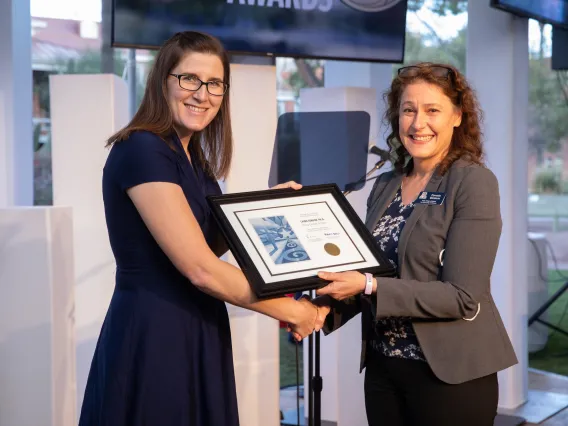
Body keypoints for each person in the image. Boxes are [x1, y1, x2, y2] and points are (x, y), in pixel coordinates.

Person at [78, 31, 325, 426]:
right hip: (156, 331)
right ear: (164, 82)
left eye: (214, 84)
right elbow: (200, 268)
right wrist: (291, 311)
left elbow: (208, 243)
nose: (202, 94)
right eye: (189, 79)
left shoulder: (192, 158)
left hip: (198, 324)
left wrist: (266, 204)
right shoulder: (144, 149)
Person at [313, 62, 518, 426]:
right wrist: (319, 311)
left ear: (457, 116)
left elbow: (461, 296)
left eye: (432, 110)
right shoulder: (386, 185)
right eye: (408, 110)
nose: (417, 123)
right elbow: (370, 273)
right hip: (383, 370)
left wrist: (368, 284)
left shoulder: (472, 182)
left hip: (449, 375)